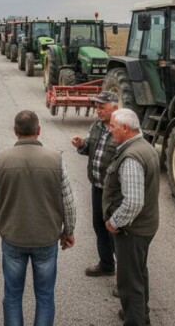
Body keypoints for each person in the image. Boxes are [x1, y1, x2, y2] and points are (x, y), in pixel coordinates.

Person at [0, 110, 76, 326]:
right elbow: (68, 202)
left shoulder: (1, 160)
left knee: (12, 295)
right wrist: (68, 231)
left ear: (15, 130)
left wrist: (4, 227)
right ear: (39, 130)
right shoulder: (56, 159)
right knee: (45, 296)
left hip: (13, 237)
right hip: (46, 238)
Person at [102, 109, 160, 326]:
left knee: (129, 281)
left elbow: (134, 202)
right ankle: (141, 313)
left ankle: (135, 320)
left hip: (132, 230)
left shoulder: (131, 157)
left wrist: (114, 222)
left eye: (113, 126)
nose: (110, 130)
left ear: (125, 128)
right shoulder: (145, 147)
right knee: (139, 271)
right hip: (145, 225)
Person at [69, 90, 119, 277]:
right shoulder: (97, 125)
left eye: (102, 107)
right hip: (97, 186)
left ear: (115, 107)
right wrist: (81, 144)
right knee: (99, 226)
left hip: (115, 191)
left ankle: (124, 275)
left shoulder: (122, 128)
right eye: (96, 107)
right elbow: (88, 148)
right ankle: (106, 264)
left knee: (116, 229)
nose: (98, 110)